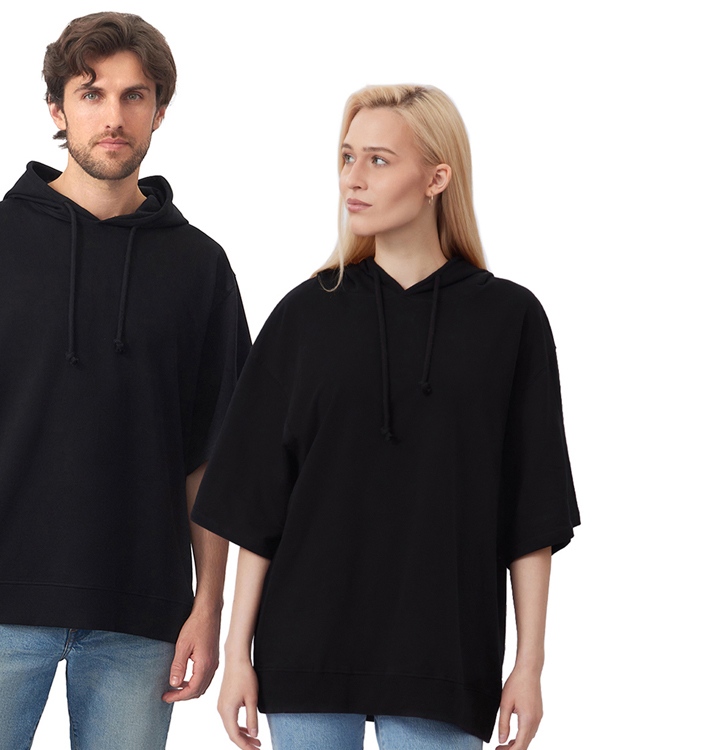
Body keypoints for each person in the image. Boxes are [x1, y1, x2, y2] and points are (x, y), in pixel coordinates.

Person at [0, 12, 249, 749]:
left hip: (142, 617)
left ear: (159, 111)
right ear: (56, 108)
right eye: (91, 93)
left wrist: (209, 605)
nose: (114, 117)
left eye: (135, 96)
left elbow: (212, 459)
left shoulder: (200, 268)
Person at [191, 84, 579, 750]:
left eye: (378, 160)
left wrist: (530, 665)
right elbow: (258, 502)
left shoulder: (510, 320)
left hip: (446, 656)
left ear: (436, 178)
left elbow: (532, 509)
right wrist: (237, 655)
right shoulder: (304, 316)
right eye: (347, 157)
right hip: (305, 649)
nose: (353, 178)